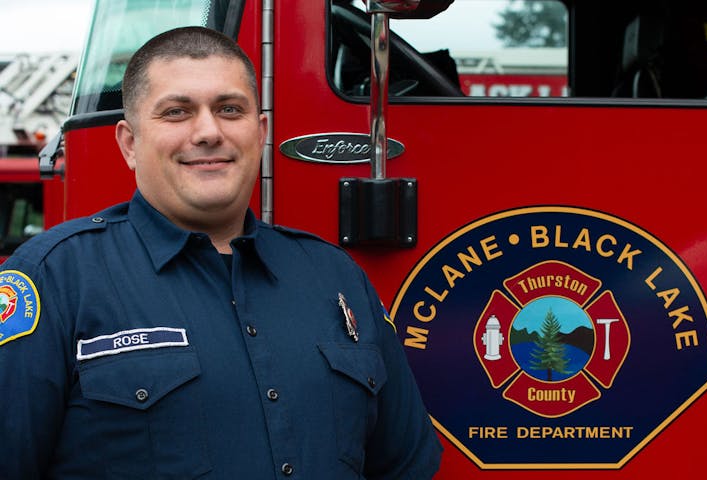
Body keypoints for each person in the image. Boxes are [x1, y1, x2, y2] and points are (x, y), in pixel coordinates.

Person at [0, 26, 441, 479]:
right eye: (176, 112)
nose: (208, 131)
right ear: (129, 144)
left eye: (230, 109)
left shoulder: (335, 279)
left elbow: (407, 464)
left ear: (261, 130)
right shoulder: (52, 278)